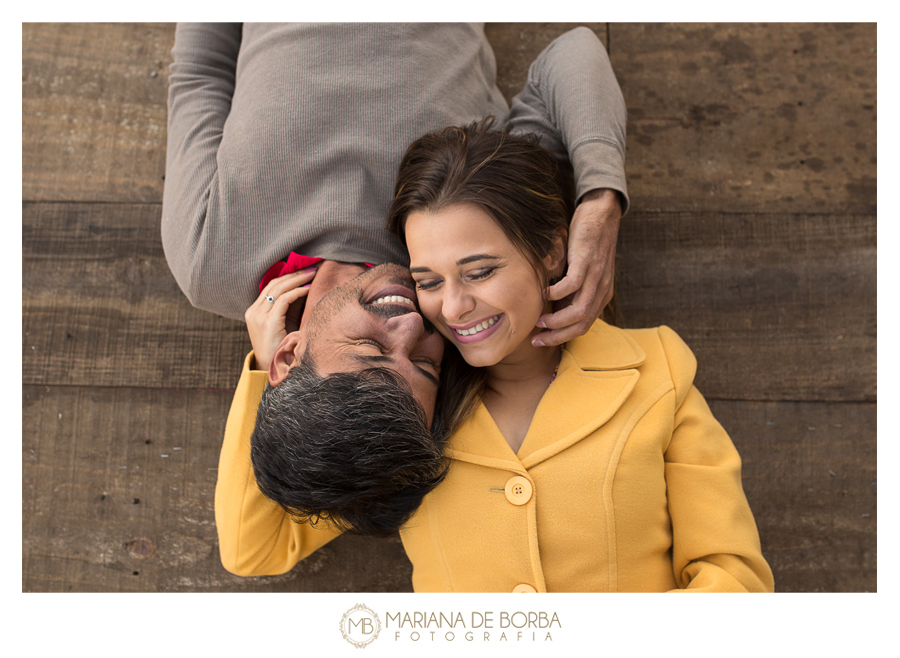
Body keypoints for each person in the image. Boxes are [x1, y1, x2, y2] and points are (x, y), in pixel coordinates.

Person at [221, 119, 775, 592]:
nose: (455, 307)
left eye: (481, 271)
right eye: (428, 280)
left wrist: (602, 203)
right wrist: (272, 378)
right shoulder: (404, 419)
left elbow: (732, 575)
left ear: (553, 250)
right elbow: (254, 547)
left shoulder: (658, 368)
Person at [160, 25, 630, 553]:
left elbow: (200, 72)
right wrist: (600, 198)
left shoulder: (210, 261)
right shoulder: (455, 239)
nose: (411, 326)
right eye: (427, 365)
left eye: (372, 350)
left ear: (288, 357)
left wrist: (260, 387)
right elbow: (572, 54)